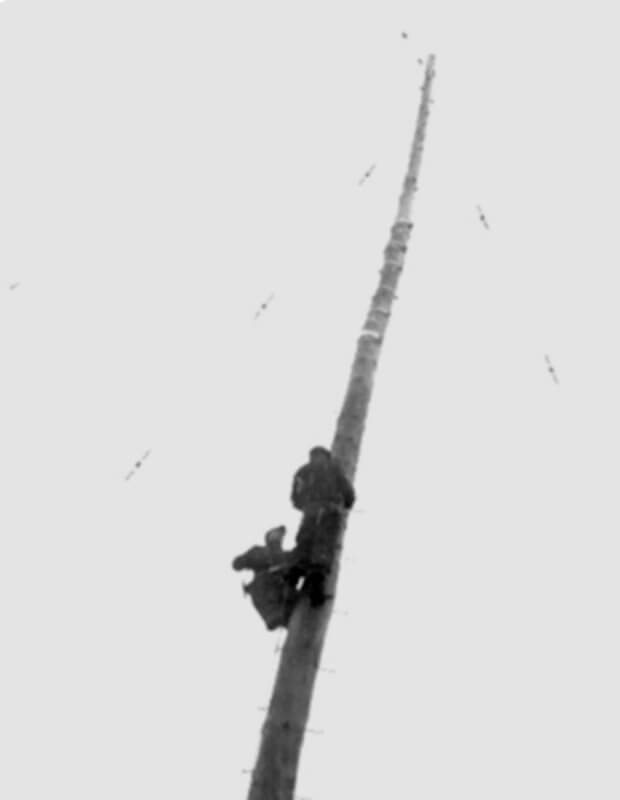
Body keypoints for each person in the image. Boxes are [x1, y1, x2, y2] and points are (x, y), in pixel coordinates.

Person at [289, 447, 356, 607]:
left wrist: (306, 506)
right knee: (324, 545)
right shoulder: (333, 468)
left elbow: (295, 497)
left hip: (310, 510)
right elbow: (348, 491)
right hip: (330, 510)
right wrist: (347, 504)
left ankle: (294, 576)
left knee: (304, 542)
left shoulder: (303, 471)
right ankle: (316, 586)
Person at [231, 526, 300, 630]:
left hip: (281, 587)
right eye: (275, 536)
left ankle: (286, 611)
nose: (277, 539)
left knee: (284, 582)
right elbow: (238, 563)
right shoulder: (258, 553)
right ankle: (276, 614)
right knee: (262, 585)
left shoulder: (280, 556)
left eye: (279, 537)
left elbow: (292, 560)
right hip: (268, 588)